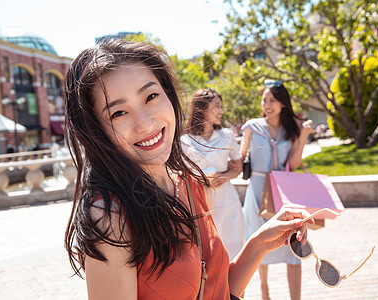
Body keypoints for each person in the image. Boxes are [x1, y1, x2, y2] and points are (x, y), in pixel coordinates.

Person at [64, 40, 314, 299]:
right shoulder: (110, 217)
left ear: (168, 96)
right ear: (96, 131)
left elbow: (216, 289)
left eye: (151, 97)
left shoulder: (191, 185)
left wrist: (259, 243)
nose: (146, 123)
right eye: (118, 113)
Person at [240, 80, 313, 300]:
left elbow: (293, 163)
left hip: (283, 192)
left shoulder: (291, 130)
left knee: (294, 245)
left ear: (282, 103)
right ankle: (264, 290)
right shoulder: (252, 127)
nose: (267, 104)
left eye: (272, 100)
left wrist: (303, 137)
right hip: (256, 192)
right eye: (264, 100)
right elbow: (239, 157)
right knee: (258, 241)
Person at [181, 88, 245, 261]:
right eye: (216, 106)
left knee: (235, 254)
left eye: (221, 106)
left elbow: (238, 167)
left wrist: (223, 177)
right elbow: (181, 176)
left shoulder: (226, 135)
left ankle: (238, 290)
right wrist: (200, 180)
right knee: (210, 258)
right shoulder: (184, 142)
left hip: (228, 202)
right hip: (201, 206)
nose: (221, 111)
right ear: (201, 108)